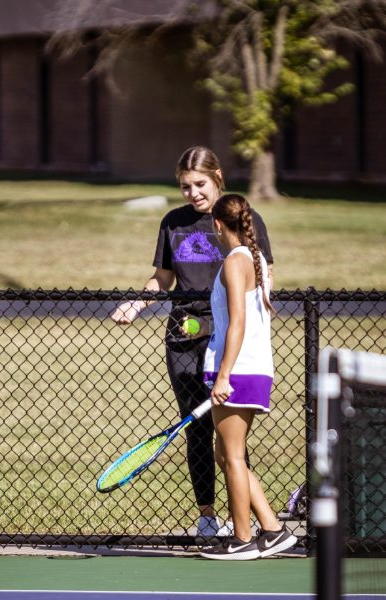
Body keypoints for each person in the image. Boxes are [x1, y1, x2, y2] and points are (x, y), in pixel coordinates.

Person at [110, 146, 274, 540]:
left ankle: (250, 526)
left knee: (229, 436)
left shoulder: (238, 220)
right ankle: (207, 516)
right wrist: (138, 302)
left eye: (199, 184)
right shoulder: (173, 222)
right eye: (185, 187)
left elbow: (262, 281)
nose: (193, 193)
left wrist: (221, 327)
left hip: (225, 340)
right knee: (196, 430)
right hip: (183, 341)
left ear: (217, 177)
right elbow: (162, 280)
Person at [199, 193, 297, 560]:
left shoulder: (234, 262)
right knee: (226, 455)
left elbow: (237, 323)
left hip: (238, 371)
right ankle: (271, 530)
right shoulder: (254, 259)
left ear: (218, 224)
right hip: (251, 369)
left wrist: (223, 375)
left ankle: (242, 540)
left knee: (234, 457)